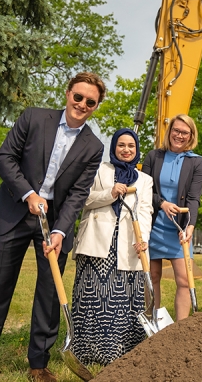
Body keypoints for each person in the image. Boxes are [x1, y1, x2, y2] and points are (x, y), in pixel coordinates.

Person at [0, 72, 105, 382]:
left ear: (96, 106)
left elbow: (77, 195)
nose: (82, 104)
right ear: (68, 92)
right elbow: (4, 158)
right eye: (78, 96)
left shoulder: (93, 146)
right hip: (15, 212)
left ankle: (39, 364)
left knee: (49, 292)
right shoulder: (34, 118)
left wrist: (59, 231)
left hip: (54, 224)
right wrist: (29, 194)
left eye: (90, 102)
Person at [70, 128, 153, 365]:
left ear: (137, 150)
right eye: (121, 145)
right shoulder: (99, 170)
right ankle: (87, 351)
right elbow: (83, 199)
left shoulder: (145, 180)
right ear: (114, 147)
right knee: (93, 296)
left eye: (131, 146)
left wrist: (143, 238)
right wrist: (110, 193)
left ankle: (123, 351)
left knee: (125, 297)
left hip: (128, 244)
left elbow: (146, 210)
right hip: (98, 243)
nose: (126, 150)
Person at [141, 114, 202, 320]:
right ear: (170, 132)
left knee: (185, 280)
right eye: (176, 130)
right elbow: (144, 190)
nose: (179, 135)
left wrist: (191, 226)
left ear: (191, 136)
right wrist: (162, 203)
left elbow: (194, 198)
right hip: (154, 225)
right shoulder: (154, 156)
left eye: (184, 132)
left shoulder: (196, 162)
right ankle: (153, 323)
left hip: (179, 227)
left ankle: (180, 330)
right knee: (153, 277)